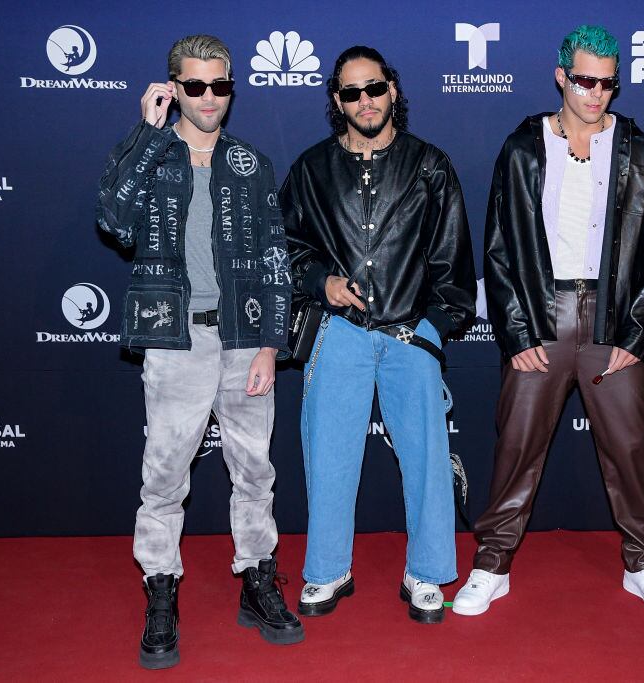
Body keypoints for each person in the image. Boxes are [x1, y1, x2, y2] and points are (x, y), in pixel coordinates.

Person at [452, 25, 644, 617]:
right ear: (561, 76)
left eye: (607, 82)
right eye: (584, 80)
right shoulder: (525, 146)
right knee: (517, 446)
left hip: (612, 316)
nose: (596, 92)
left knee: (630, 448)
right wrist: (518, 331)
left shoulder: (640, 149)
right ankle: (492, 563)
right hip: (543, 313)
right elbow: (499, 247)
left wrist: (638, 331)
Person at [96, 34, 300, 669]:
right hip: (173, 334)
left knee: (255, 469)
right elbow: (113, 218)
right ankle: (161, 589)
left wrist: (272, 343)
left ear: (231, 88)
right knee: (164, 474)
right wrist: (146, 133)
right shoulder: (152, 157)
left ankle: (258, 579)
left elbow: (274, 259)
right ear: (172, 87)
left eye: (220, 86)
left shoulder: (252, 164)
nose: (209, 98)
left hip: (244, 336)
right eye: (195, 86)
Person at [281, 46, 476, 624]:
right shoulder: (311, 169)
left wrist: (432, 331)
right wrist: (321, 281)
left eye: (374, 88)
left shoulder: (430, 166)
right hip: (338, 332)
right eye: (351, 93)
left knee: (427, 460)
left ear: (393, 89)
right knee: (330, 456)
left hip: (410, 333)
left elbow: (453, 261)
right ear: (337, 102)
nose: (364, 101)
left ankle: (429, 571)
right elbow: (285, 250)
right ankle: (326, 569)